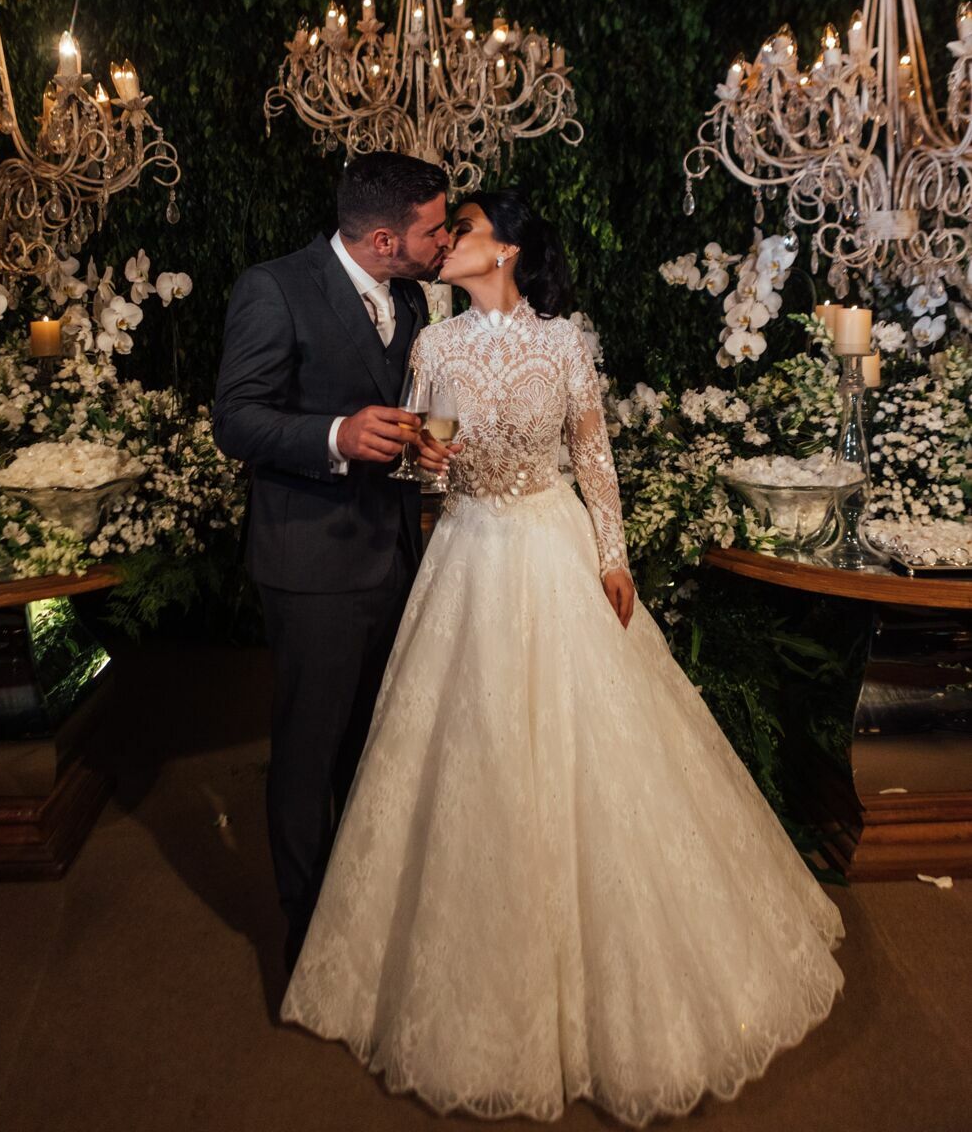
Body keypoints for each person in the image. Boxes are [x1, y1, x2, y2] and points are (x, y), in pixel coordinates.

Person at [281, 189, 844, 1124]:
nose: (446, 243)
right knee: (467, 752)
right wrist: (424, 460)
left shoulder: (563, 344)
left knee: (595, 751)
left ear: (505, 252)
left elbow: (594, 458)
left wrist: (613, 559)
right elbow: (421, 461)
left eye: (463, 230)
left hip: (552, 545)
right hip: (465, 554)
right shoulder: (432, 345)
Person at [212, 151, 452, 973]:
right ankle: (306, 941)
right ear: (385, 239)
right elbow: (236, 419)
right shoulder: (273, 288)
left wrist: (418, 447)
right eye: (434, 229)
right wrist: (334, 436)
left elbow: (400, 407)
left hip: (394, 554)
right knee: (308, 749)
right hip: (311, 563)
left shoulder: (413, 296)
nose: (444, 240)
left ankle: (360, 913)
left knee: (372, 743)